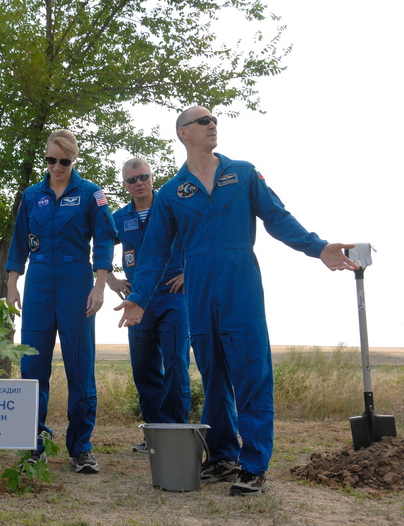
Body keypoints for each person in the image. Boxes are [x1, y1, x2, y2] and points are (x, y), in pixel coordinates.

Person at [114, 107, 359, 496]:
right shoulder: (173, 193)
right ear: (183, 134)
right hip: (199, 291)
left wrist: (317, 247)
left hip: (240, 284)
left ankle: (254, 465)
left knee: (251, 373)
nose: (212, 125)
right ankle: (224, 457)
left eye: (214, 120)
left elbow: (277, 217)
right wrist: (140, 298)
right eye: (202, 122)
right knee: (213, 378)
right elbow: (155, 252)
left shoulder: (243, 173)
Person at [6, 129, 117, 474]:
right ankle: (33, 444)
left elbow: (105, 240)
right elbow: (19, 242)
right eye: (50, 160)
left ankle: (80, 447)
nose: (56, 166)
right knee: (32, 369)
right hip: (38, 282)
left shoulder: (90, 194)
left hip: (76, 282)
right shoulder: (31, 195)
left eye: (64, 161)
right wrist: (12, 284)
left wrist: (100, 286)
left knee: (79, 367)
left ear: (74, 159)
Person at [106, 158, 191, 453]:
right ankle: (155, 435)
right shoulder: (119, 218)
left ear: (152, 178)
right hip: (138, 299)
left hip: (173, 295)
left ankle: (178, 433)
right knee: (144, 368)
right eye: (132, 180)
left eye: (143, 177)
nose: (138, 183)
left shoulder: (170, 207)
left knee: (176, 365)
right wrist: (112, 281)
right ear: (125, 185)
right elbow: (99, 247)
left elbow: (198, 237)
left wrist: (188, 272)